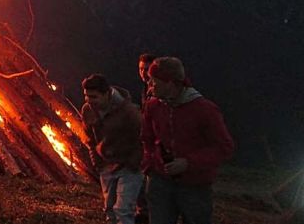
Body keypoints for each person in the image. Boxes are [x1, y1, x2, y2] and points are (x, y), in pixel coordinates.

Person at [142, 57, 235, 224]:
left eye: (154, 81)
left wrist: (188, 163)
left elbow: (224, 147)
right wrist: (150, 166)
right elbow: (147, 138)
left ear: (169, 82)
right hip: (160, 183)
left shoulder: (204, 109)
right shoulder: (153, 106)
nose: (150, 85)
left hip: (194, 186)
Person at [81, 73, 144, 224]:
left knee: (123, 210)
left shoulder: (128, 112)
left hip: (128, 167)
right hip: (106, 165)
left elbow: (143, 138)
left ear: (107, 94)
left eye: (94, 97)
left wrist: (134, 163)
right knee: (110, 209)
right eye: (86, 96)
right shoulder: (88, 110)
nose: (89, 101)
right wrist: (97, 162)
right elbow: (89, 138)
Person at [136, 52, 157, 224]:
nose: (143, 72)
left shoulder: (157, 88)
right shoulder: (145, 88)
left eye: (146, 68)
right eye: (141, 69)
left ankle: (148, 212)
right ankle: (144, 212)